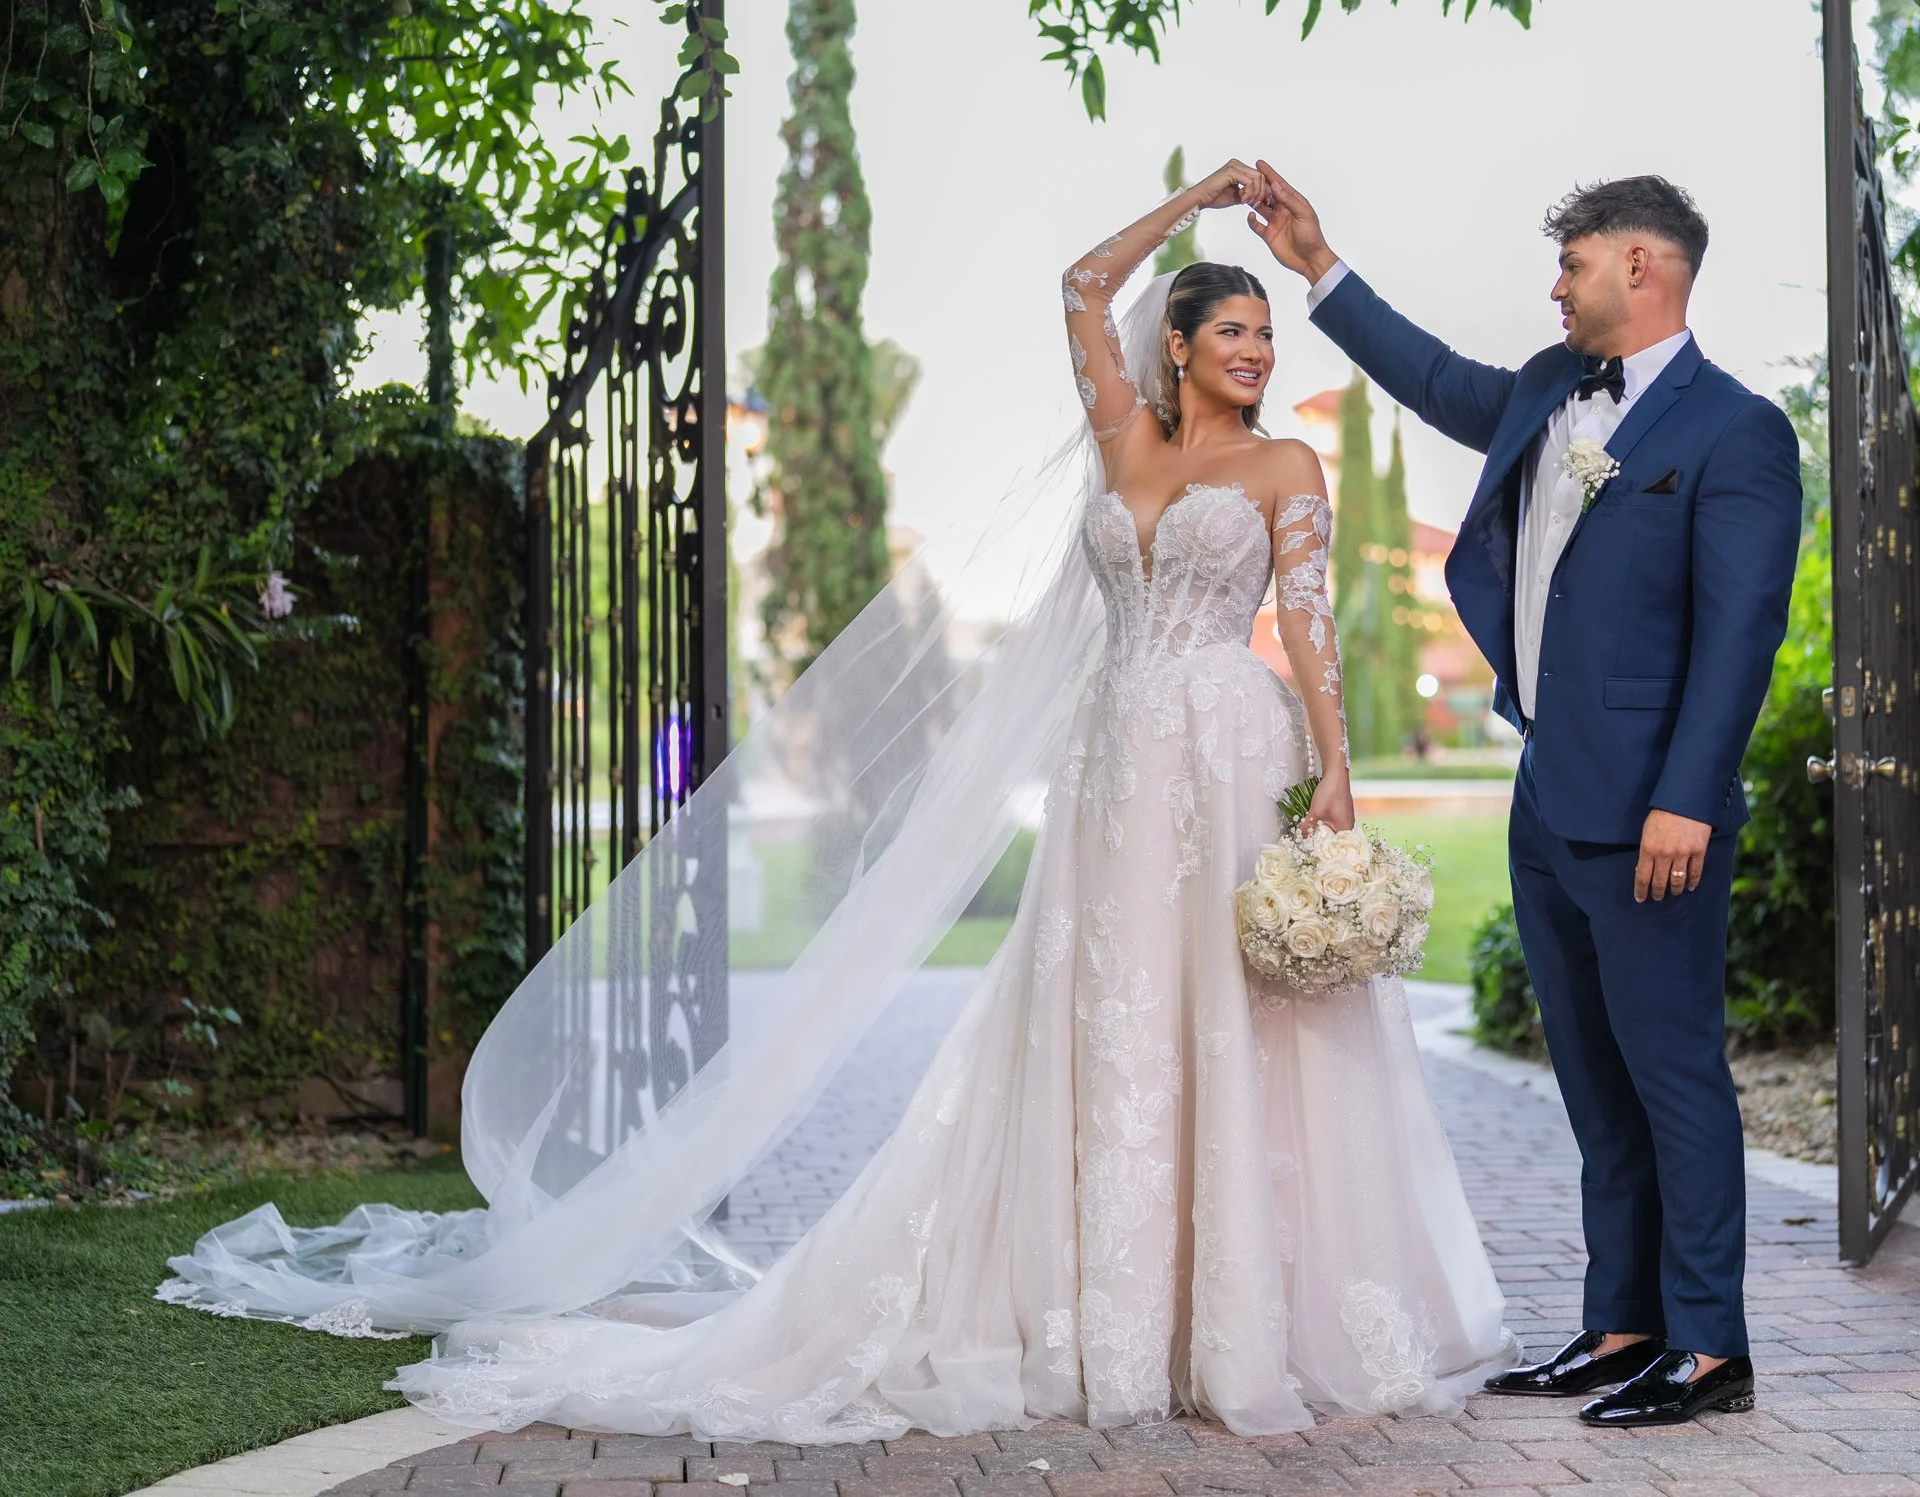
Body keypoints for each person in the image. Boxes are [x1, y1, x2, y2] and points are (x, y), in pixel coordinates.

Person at [162, 161, 1512, 1443]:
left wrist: (1333, 771)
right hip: (1114, 762)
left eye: (1268, 338)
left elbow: (1311, 623)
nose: (1258, 353)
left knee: (1236, 1012)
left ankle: (1230, 1318)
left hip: (1228, 742)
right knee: (1108, 1009)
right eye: (1235, 330)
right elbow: (1078, 285)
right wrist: (1197, 198)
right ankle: (1104, 1311)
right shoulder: (1124, 440)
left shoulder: (1288, 471)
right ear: (1181, 343)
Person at [1250, 165, 1801, 1427]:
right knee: (1593, 1084)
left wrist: (1690, 798)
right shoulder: (1552, 390)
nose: (1555, 286)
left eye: (1574, 263)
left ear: (1641, 270)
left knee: (1673, 1077)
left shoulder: (1737, 431)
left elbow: (1739, 639)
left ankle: (1709, 1344)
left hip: (1654, 815)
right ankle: (1621, 1325)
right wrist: (1319, 268)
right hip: (1548, 795)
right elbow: (1439, 379)